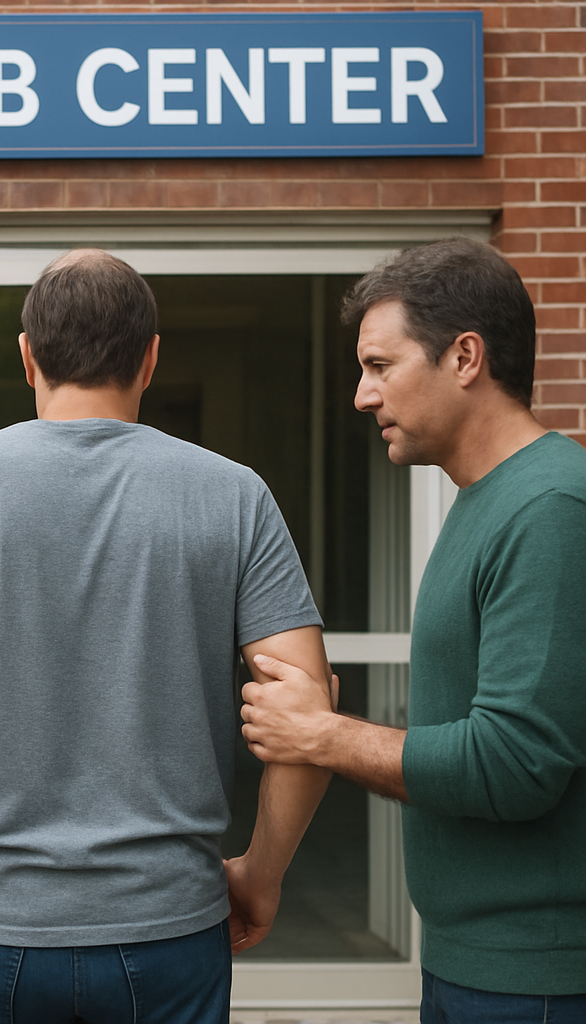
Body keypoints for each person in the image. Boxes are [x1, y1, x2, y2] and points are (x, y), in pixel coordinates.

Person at [0, 249, 334, 1023]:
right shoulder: (236, 496)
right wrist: (259, 877)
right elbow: (307, 718)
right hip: (168, 926)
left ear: (27, 355)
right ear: (151, 359)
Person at [239, 238, 586, 1022]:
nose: (363, 395)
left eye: (380, 365)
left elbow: (515, 763)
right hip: (480, 968)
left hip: (535, 980)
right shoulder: (488, 502)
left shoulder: (551, 510)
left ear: (465, 356)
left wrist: (320, 735)